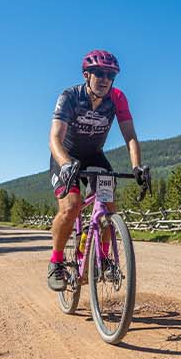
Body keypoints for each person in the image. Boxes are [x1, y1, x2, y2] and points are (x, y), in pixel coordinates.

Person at [47, 49, 148, 289]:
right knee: (71, 207)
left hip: (94, 155)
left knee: (109, 205)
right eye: (99, 73)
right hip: (65, 155)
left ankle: (103, 258)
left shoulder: (118, 98)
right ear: (86, 75)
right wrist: (65, 164)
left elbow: (130, 136)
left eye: (110, 75)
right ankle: (56, 262)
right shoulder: (69, 96)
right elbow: (54, 139)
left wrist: (137, 166)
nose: (105, 79)